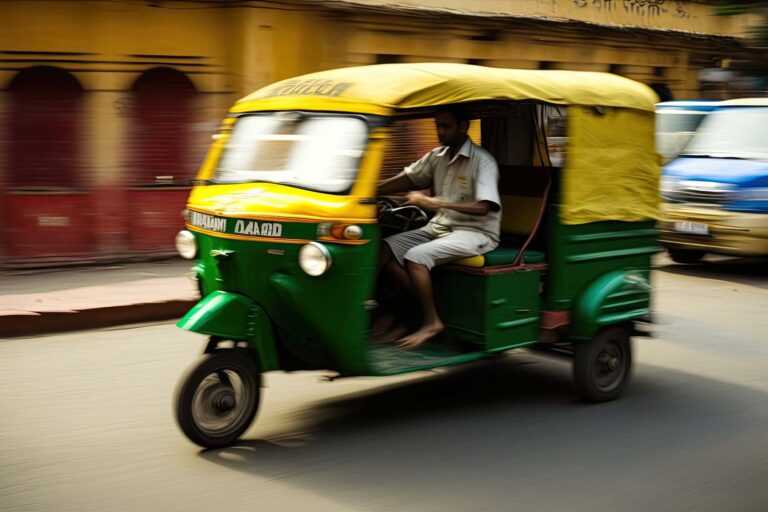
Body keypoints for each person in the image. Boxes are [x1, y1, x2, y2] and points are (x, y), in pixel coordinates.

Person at [376, 106, 501, 349]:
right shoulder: (437, 156)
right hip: (440, 226)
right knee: (385, 248)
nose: (440, 132)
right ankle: (403, 313)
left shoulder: (483, 161)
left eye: (446, 126)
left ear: (463, 127)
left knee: (416, 257)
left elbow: (484, 207)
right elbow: (407, 179)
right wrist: (371, 190)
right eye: (438, 126)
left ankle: (432, 321)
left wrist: (435, 203)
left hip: (475, 232)